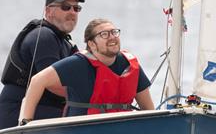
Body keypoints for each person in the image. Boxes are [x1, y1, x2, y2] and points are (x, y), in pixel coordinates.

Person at [18, 18, 154, 125]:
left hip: (122, 128)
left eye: (114, 32)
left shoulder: (129, 65)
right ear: (92, 44)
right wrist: (26, 122)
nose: (112, 37)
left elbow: (149, 110)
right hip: (82, 131)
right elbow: (37, 81)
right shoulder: (77, 64)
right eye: (104, 34)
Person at [0, 0, 85, 130]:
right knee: (87, 112)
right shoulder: (43, 37)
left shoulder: (67, 43)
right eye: (66, 7)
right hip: (17, 114)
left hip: (48, 109)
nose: (72, 12)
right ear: (48, 11)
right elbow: (53, 84)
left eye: (76, 8)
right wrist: (90, 99)